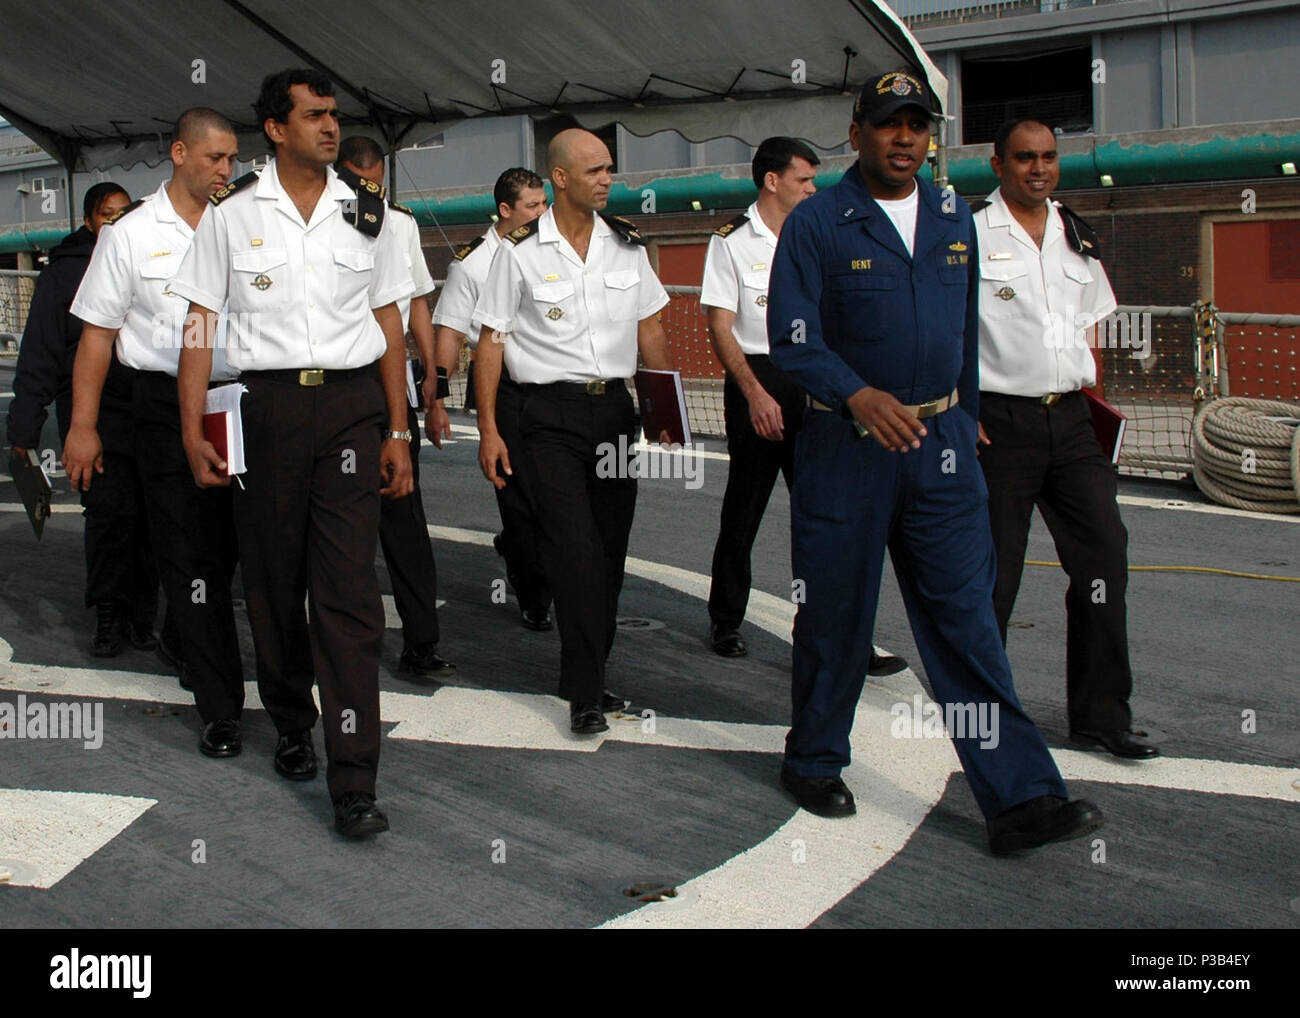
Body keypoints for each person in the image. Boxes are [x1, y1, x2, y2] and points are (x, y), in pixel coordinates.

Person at [767, 70, 1103, 855]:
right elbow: (792, 337)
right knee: (837, 618)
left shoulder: (956, 216)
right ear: (857, 134)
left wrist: (969, 422)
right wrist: (856, 396)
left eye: (918, 124)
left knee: (967, 622)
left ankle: (1021, 798)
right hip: (846, 450)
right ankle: (813, 760)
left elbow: (965, 334)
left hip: (941, 453)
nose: (906, 137)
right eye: (889, 124)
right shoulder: (819, 223)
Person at [170, 69, 414, 838]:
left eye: (334, 114)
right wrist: (189, 430)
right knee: (274, 586)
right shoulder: (231, 215)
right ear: (275, 129)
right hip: (266, 409)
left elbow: (391, 325)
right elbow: (201, 326)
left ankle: (355, 781)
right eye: (313, 115)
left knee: (347, 597)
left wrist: (399, 431)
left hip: (349, 409)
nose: (330, 126)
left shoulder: (368, 214)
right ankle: (287, 719)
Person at [473, 128, 675, 734]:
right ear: (559, 178)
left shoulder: (628, 248)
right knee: (578, 552)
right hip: (547, 421)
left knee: (609, 554)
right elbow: (491, 341)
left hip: (613, 415)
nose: (607, 179)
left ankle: (584, 669)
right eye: (594, 170)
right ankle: (587, 693)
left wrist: (667, 411)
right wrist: (488, 428)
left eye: (609, 169)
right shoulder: (519, 251)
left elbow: (652, 332)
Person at [972, 118, 1158, 760]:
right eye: (1024, 158)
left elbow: (1090, 335)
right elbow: (946, 332)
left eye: (1049, 157)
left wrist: (1097, 407)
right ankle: (983, 721)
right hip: (998, 426)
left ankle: (1102, 717)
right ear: (998, 165)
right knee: (994, 577)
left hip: (1072, 422)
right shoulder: (967, 235)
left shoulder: (1077, 236)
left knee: (1104, 558)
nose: (1039, 168)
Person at [64, 109, 246, 758]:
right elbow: (97, 336)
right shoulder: (132, 234)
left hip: (239, 401)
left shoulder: (246, 227)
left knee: (230, 548)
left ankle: (183, 633)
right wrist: (83, 426)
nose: (226, 170)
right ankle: (219, 705)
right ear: (178, 153)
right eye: (214, 158)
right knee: (188, 549)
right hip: (164, 407)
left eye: (232, 159)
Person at [700, 136, 907, 678]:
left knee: (826, 515)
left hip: (816, 378)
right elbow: (721, 326)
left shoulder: (822, 233)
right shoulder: (731, 242)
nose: (814, 188)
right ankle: (726, 620)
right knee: (744, 509)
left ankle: (843, 638)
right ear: (773, 180)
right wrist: (754, 393)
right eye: (804, 179)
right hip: (760, 380)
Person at [9, 182, 162, 659]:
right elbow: (39, 354)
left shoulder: (147, 262)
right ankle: (109, 612)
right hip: (92, 417)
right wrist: (23, 432)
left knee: (151, 520)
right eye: (107, 215)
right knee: (109, 517)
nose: (116, 224)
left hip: (148, 409)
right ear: (89, 221)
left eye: (123, 214)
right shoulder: (64, 274)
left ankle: (142, 614)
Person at [337, 136, 454, 680]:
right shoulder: (325, 218)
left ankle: (421, 642)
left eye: (377, 182)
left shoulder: (400, 223)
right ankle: (338, 643)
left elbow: (417, 305)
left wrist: (432, 374)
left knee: (404, 520)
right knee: (341, 525)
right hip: (341, 382)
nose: (371, 191)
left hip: (393, 385)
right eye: (363, 180)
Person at [433, 167, 551, 631]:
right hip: (505, 393)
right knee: (519, 499)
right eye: (532, 206)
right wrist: (438, 400)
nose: (542, 213)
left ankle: (524, 555)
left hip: (553, 394)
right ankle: (534, 596)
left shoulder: (551, 251)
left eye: (545, 204)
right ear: (505, 210)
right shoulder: (471, 264)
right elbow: (449, 333)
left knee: (553, 500)